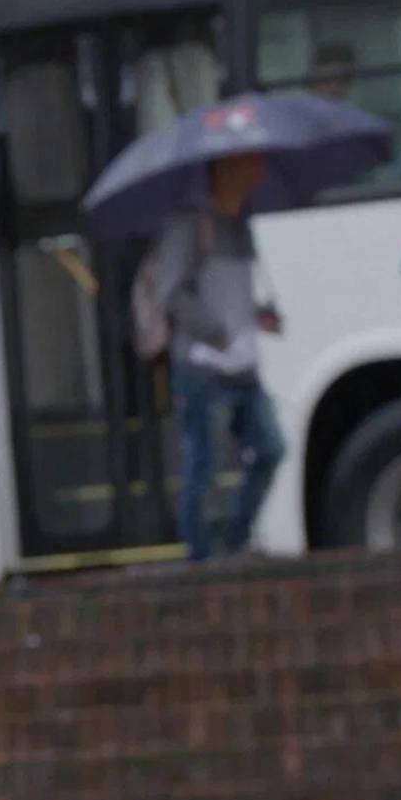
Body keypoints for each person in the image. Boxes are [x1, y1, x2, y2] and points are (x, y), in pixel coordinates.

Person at [148, 152, 287, 561]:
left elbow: (233, 294)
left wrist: (260, 314)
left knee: (270, 449)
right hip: (202, 365)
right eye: (250, 162)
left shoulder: (242, 224)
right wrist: (217, 331)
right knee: (203, 463)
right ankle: (202, 556)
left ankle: (236, 538)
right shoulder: (189, 223)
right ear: (225, 170)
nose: (260, 169)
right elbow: (171, 292)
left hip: (243, 364)